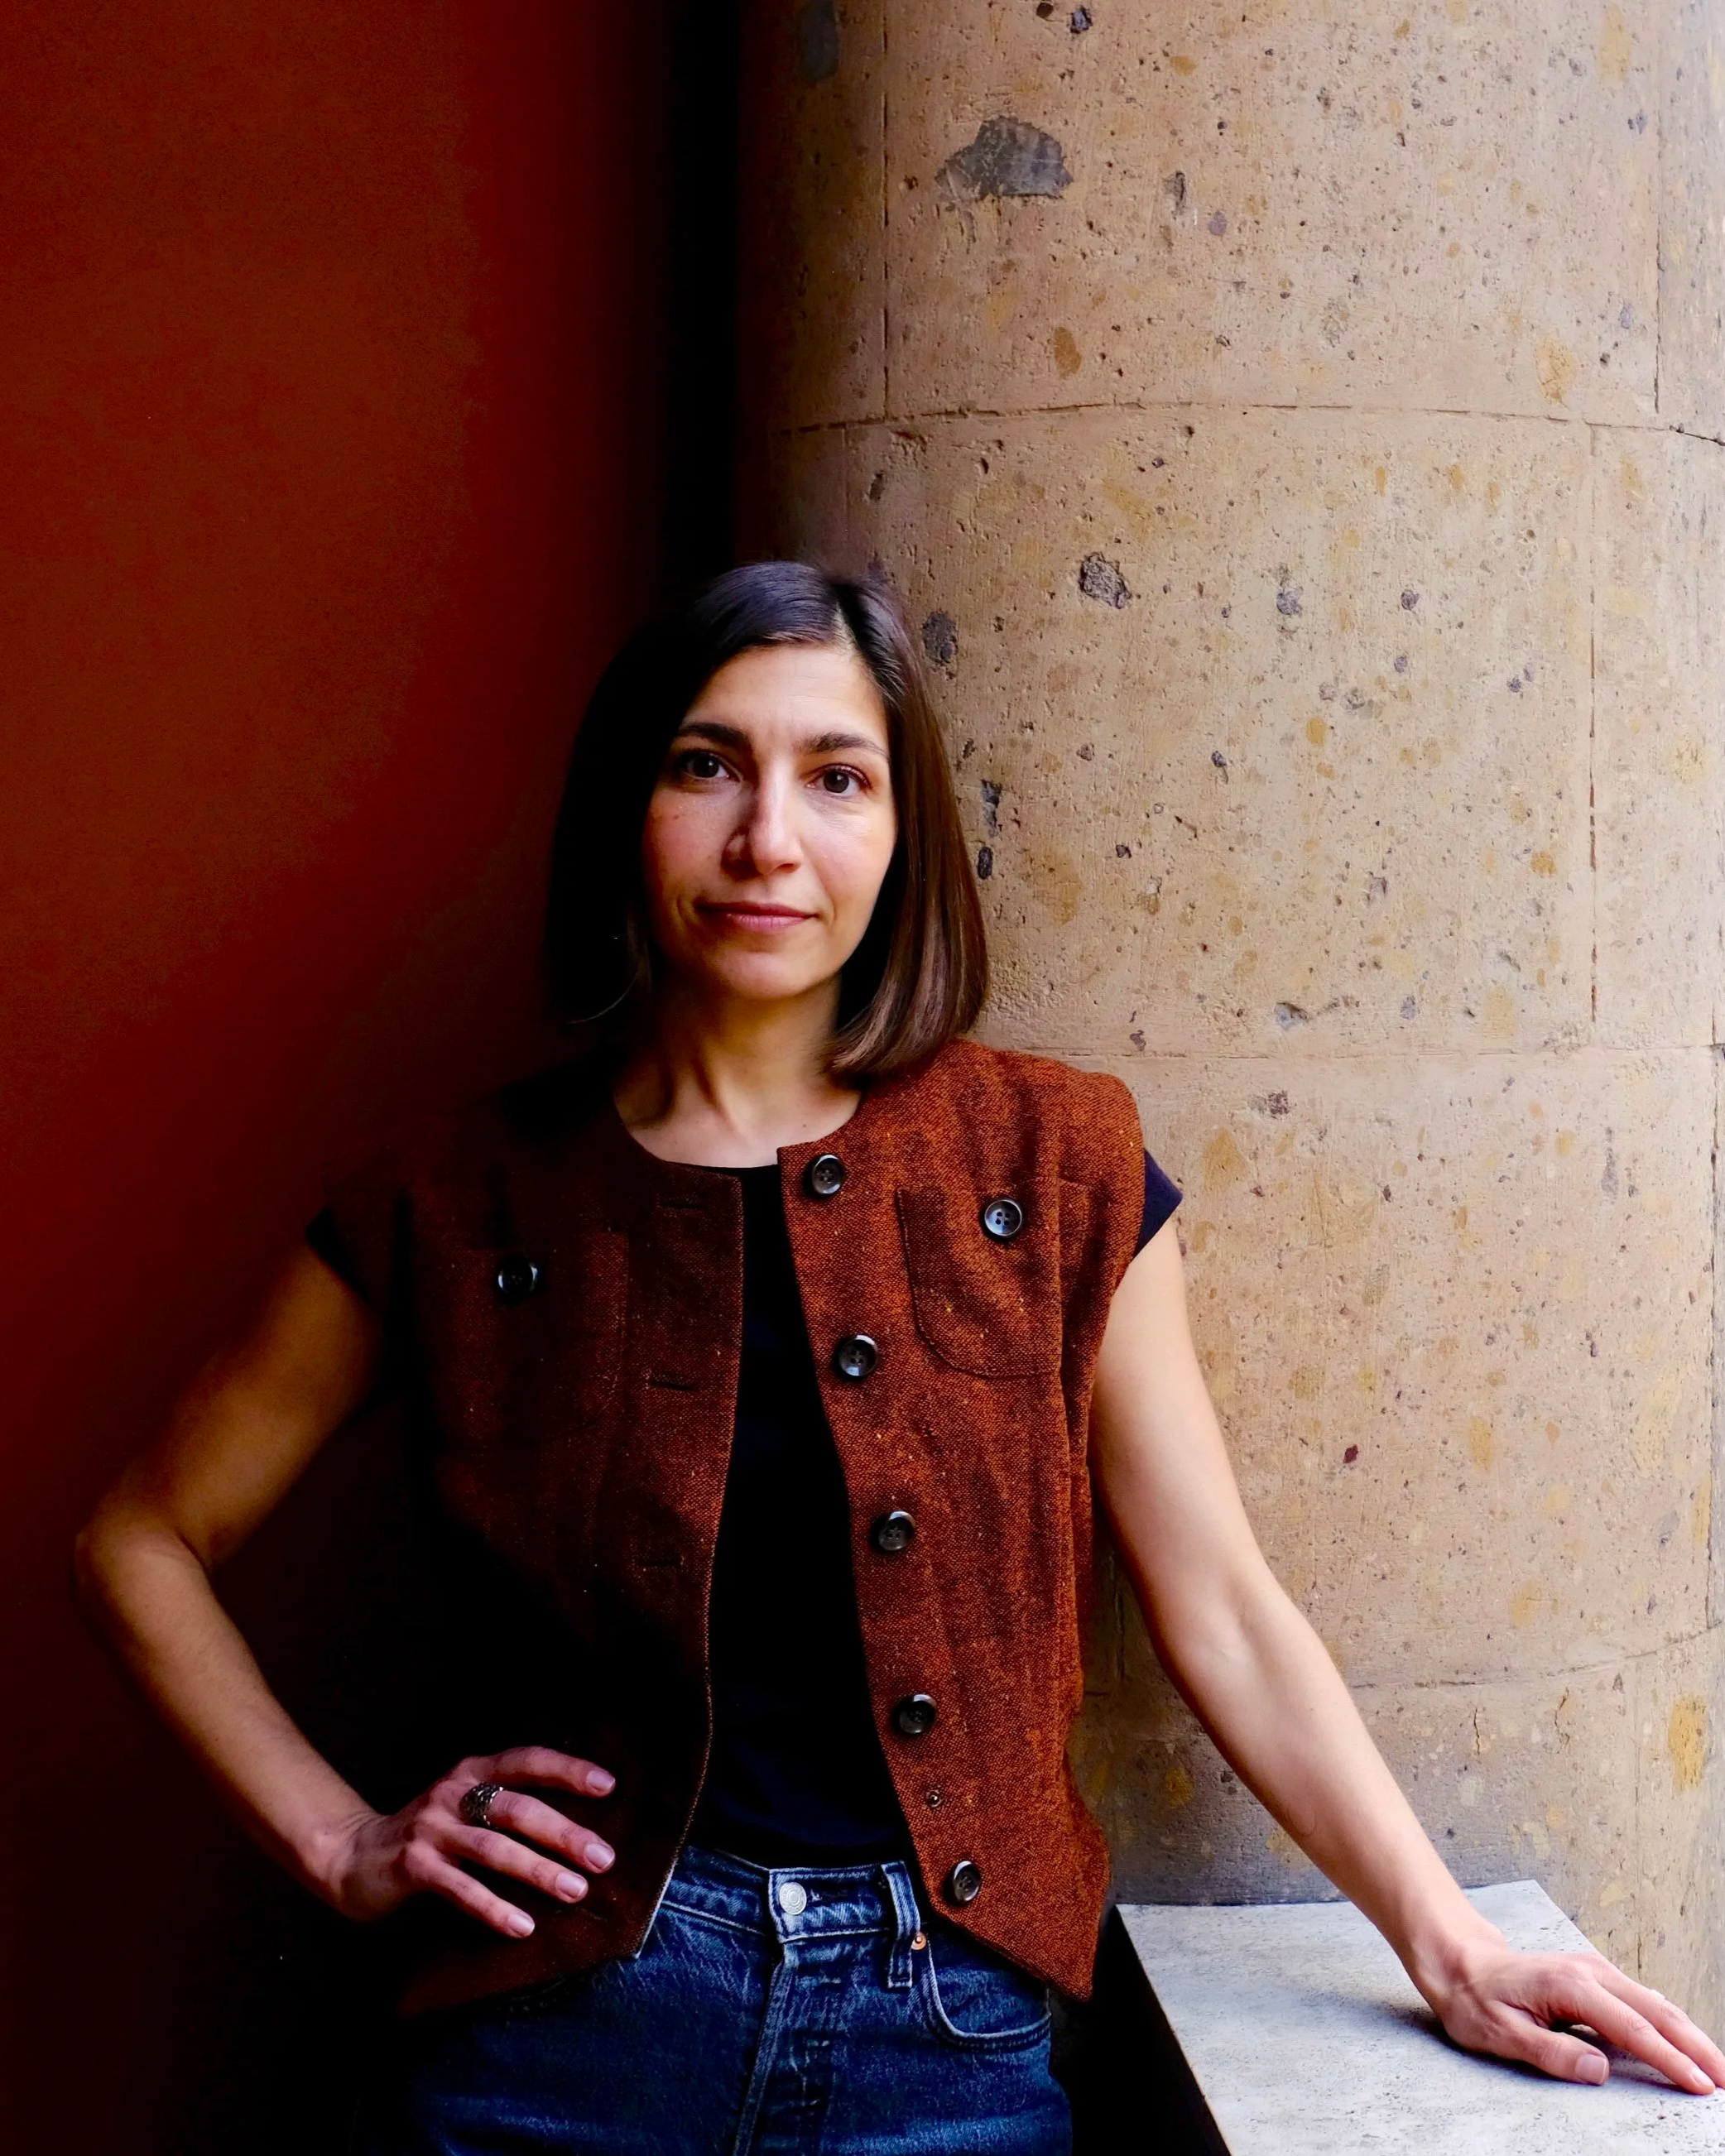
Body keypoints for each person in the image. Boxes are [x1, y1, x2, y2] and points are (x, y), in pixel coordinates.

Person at [76, 562, 1723, 2154]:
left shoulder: (1055, 1162)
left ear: (898, 828)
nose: (765, 841)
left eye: (835, 777)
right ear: (623, 809)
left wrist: (1448, 1945)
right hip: (546, 2041)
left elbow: (1215, 1601)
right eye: (704, 766)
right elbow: (139, 1540)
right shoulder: (446, 1199)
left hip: (937, 2045)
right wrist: (341, 1837)